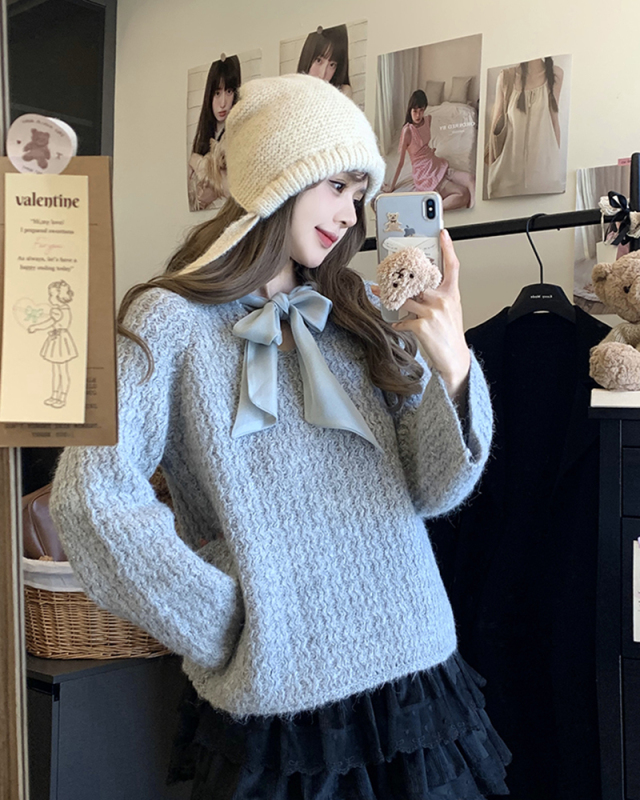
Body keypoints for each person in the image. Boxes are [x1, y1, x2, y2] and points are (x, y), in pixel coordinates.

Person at [50, 75, 510, 800]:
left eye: (360, 192)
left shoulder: (353, 310)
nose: (350, 212)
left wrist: (452, 364)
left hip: (415, 669)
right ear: (279, 176)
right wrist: (223, 619)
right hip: (286, 698)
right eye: (336, 185)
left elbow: (433, 489)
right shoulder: (170, 320)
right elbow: (89, 496)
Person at [486, 57, 564, 199]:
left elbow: (554, 122)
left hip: (545, 177)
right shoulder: (506, 77)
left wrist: (555, 165)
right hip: (507, 177)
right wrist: (492, 170)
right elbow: (495, 128)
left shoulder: (556, 74)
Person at [386, 89, 476, 210]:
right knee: (463, 194)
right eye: (415, 111)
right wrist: (391, 186)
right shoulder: (407, 131)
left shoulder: (427, 120)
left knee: (472, 179)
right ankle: (432, 210)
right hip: (425, 172)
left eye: (421, 110)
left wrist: (429, 151)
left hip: (436, 163)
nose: (418, 115)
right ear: (410, 110)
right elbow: (400, 162)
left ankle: (476, 213)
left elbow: (423, 144)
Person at [188, 55, 241, 211]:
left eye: (229, 91)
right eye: (217, 93)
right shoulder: (204, 135)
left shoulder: (237, 135)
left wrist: (197, 162)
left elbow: (231, 189)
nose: (223, 103)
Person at [28, 280, 78, 408]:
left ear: (59, 296)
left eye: (51, 295)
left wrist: (36, 327)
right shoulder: (60, 309)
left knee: (62, 371)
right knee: (56, 371)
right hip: (57, 339)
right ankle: (55, 395)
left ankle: (62, 397)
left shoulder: (59, 310)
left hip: (61, 340)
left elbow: (49, 322)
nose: (49, 298)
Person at [296, 24, 352, 98]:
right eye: (318, 61)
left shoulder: (340, 93)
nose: (322, 75)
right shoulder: (292, 89)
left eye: (332, 65)